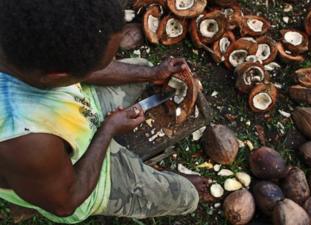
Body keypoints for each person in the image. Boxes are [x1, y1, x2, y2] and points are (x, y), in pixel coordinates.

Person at [0, 0, 210, 223]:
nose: (104, 66)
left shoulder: (24, 41)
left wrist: (151, 73)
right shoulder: (26, 141)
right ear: (57, 76)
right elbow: (66, 203)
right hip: (71, 182)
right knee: (186, 196)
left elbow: (80, 61)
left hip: (73, 106)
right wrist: (107, 130)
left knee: (142, 67)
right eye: (97, 67)